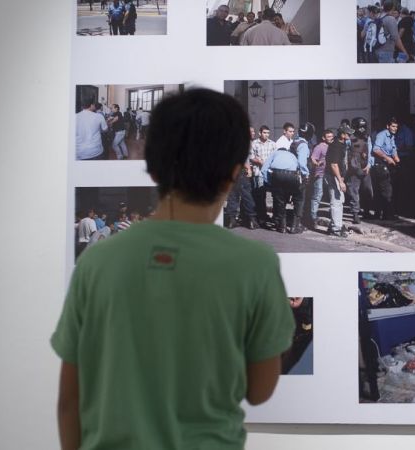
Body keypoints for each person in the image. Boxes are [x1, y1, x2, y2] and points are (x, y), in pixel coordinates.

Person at [52, 89, 295, 450]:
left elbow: (70, 401)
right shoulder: (255, 264)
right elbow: (260, 390)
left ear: (151, 166)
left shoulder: (98, 262)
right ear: (233, 172)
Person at [325, 125, 353, 237]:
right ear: (342, 134)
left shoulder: (341, 144)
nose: (350, 135)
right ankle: (336, 228)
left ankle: (334, 225)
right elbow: (334, 164)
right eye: (348, 134)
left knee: (339, 200)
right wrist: (340, 181)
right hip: (333, 176)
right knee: (336, 201)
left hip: (337, 176)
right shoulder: (336, 145)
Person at [371, 118, 400, 220]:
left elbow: (393, 149)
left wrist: (397, 159)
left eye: (396, 127)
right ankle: (387, 215)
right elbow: (376, 149)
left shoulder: (391, 136)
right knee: (386, 190)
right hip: (380, 164)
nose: (395, 128)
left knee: (386, 189)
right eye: (393, 126)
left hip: (388, 164)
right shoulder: (382, 135)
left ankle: (380, 214)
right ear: (388, 126)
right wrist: (387, 158)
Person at [346, 117, 374, 224]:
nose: (362, 130)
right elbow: (346, 154)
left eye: (363, 127)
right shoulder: (349, 139)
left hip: (365, 168)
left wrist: (369, 165)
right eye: (360, 127)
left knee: (368, 190)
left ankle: (366, 211)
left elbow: (370, 153)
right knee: (354, 192)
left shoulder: (368, 138)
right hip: (353, 169)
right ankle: (355, 214)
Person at [307, 129, 333, 226]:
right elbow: (313, 158)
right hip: (320, 174)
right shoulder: (319, 147)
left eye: (332, 136)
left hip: (330, 174)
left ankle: (332, 214)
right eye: (329, 137)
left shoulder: (332, 146)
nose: (331, 138)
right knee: (318, 195)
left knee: (332, 194)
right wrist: (317, 163)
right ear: (323, 138)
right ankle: (313, 216)